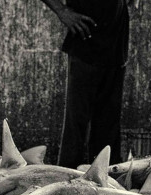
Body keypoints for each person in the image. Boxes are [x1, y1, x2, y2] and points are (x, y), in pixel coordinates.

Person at [41, 0, 131, 168]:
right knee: (76, 130)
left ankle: (106, 185)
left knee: (108, 132)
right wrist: (62, 11)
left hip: (116, 44)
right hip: (86, 44)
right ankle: (65, 185)